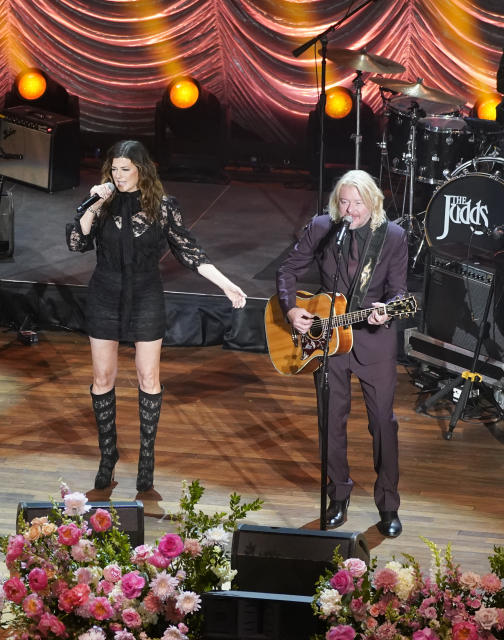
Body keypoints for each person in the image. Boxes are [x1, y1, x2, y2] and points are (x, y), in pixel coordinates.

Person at [66, 140, 247, 493]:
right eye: (114, 169)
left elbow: (191, 252)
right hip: (105, 294)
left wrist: (227, 286)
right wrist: (92, 204)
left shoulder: (163, 207)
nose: (118, 176)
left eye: (125, 170)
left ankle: (146, 457)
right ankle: (108, 455)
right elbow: (77, 242)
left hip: (146, 295)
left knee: (148, 377)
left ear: (141, 171)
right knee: (103, 378)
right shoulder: (102, 204)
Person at [276, 169, 408, 538]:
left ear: (373, 201)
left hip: (374, 342)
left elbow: (399, 291)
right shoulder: (324, 228)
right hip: (330, 341)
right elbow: (288, 269)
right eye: (344, 202)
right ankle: (338, 496)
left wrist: (388, 308)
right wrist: (291, 309)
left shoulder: (393, 237)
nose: (350, 210)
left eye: (357, 203)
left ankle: (388, 505)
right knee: (331, 421)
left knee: (383, 424)